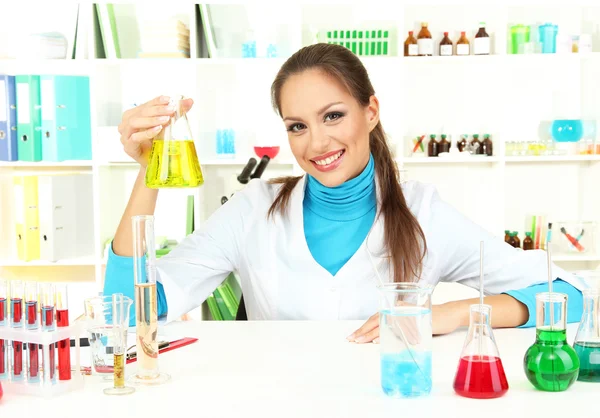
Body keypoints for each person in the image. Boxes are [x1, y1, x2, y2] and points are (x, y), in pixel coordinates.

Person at [104, 43, 585, 342]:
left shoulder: (424, 214)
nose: (316, 143)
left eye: (333, 115)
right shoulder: (252, 209)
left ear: (370, 111)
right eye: (297, 126)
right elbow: (125, 305)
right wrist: (151, 170)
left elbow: (571, 294)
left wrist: (451, 313)